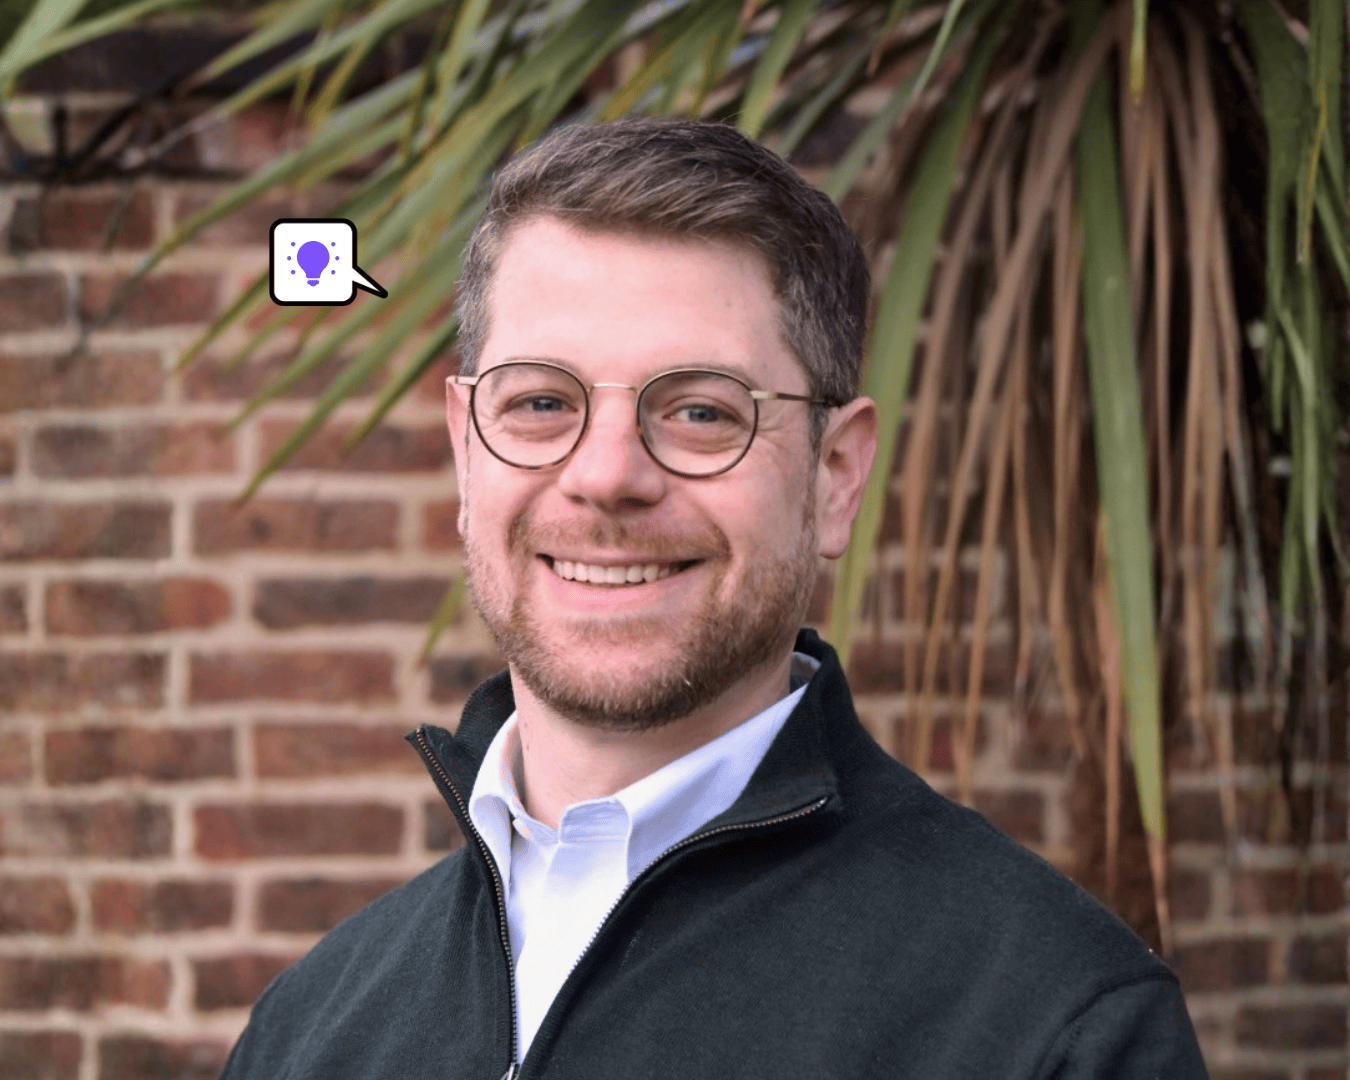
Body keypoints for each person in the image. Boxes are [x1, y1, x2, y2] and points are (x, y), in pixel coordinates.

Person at [217, 116, 1208, 1080]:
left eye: (700, 412)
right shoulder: (308, 1031)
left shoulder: (1052, 1027)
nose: (607, 476)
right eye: (541, 403)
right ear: (466, 449)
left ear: (836, 478)